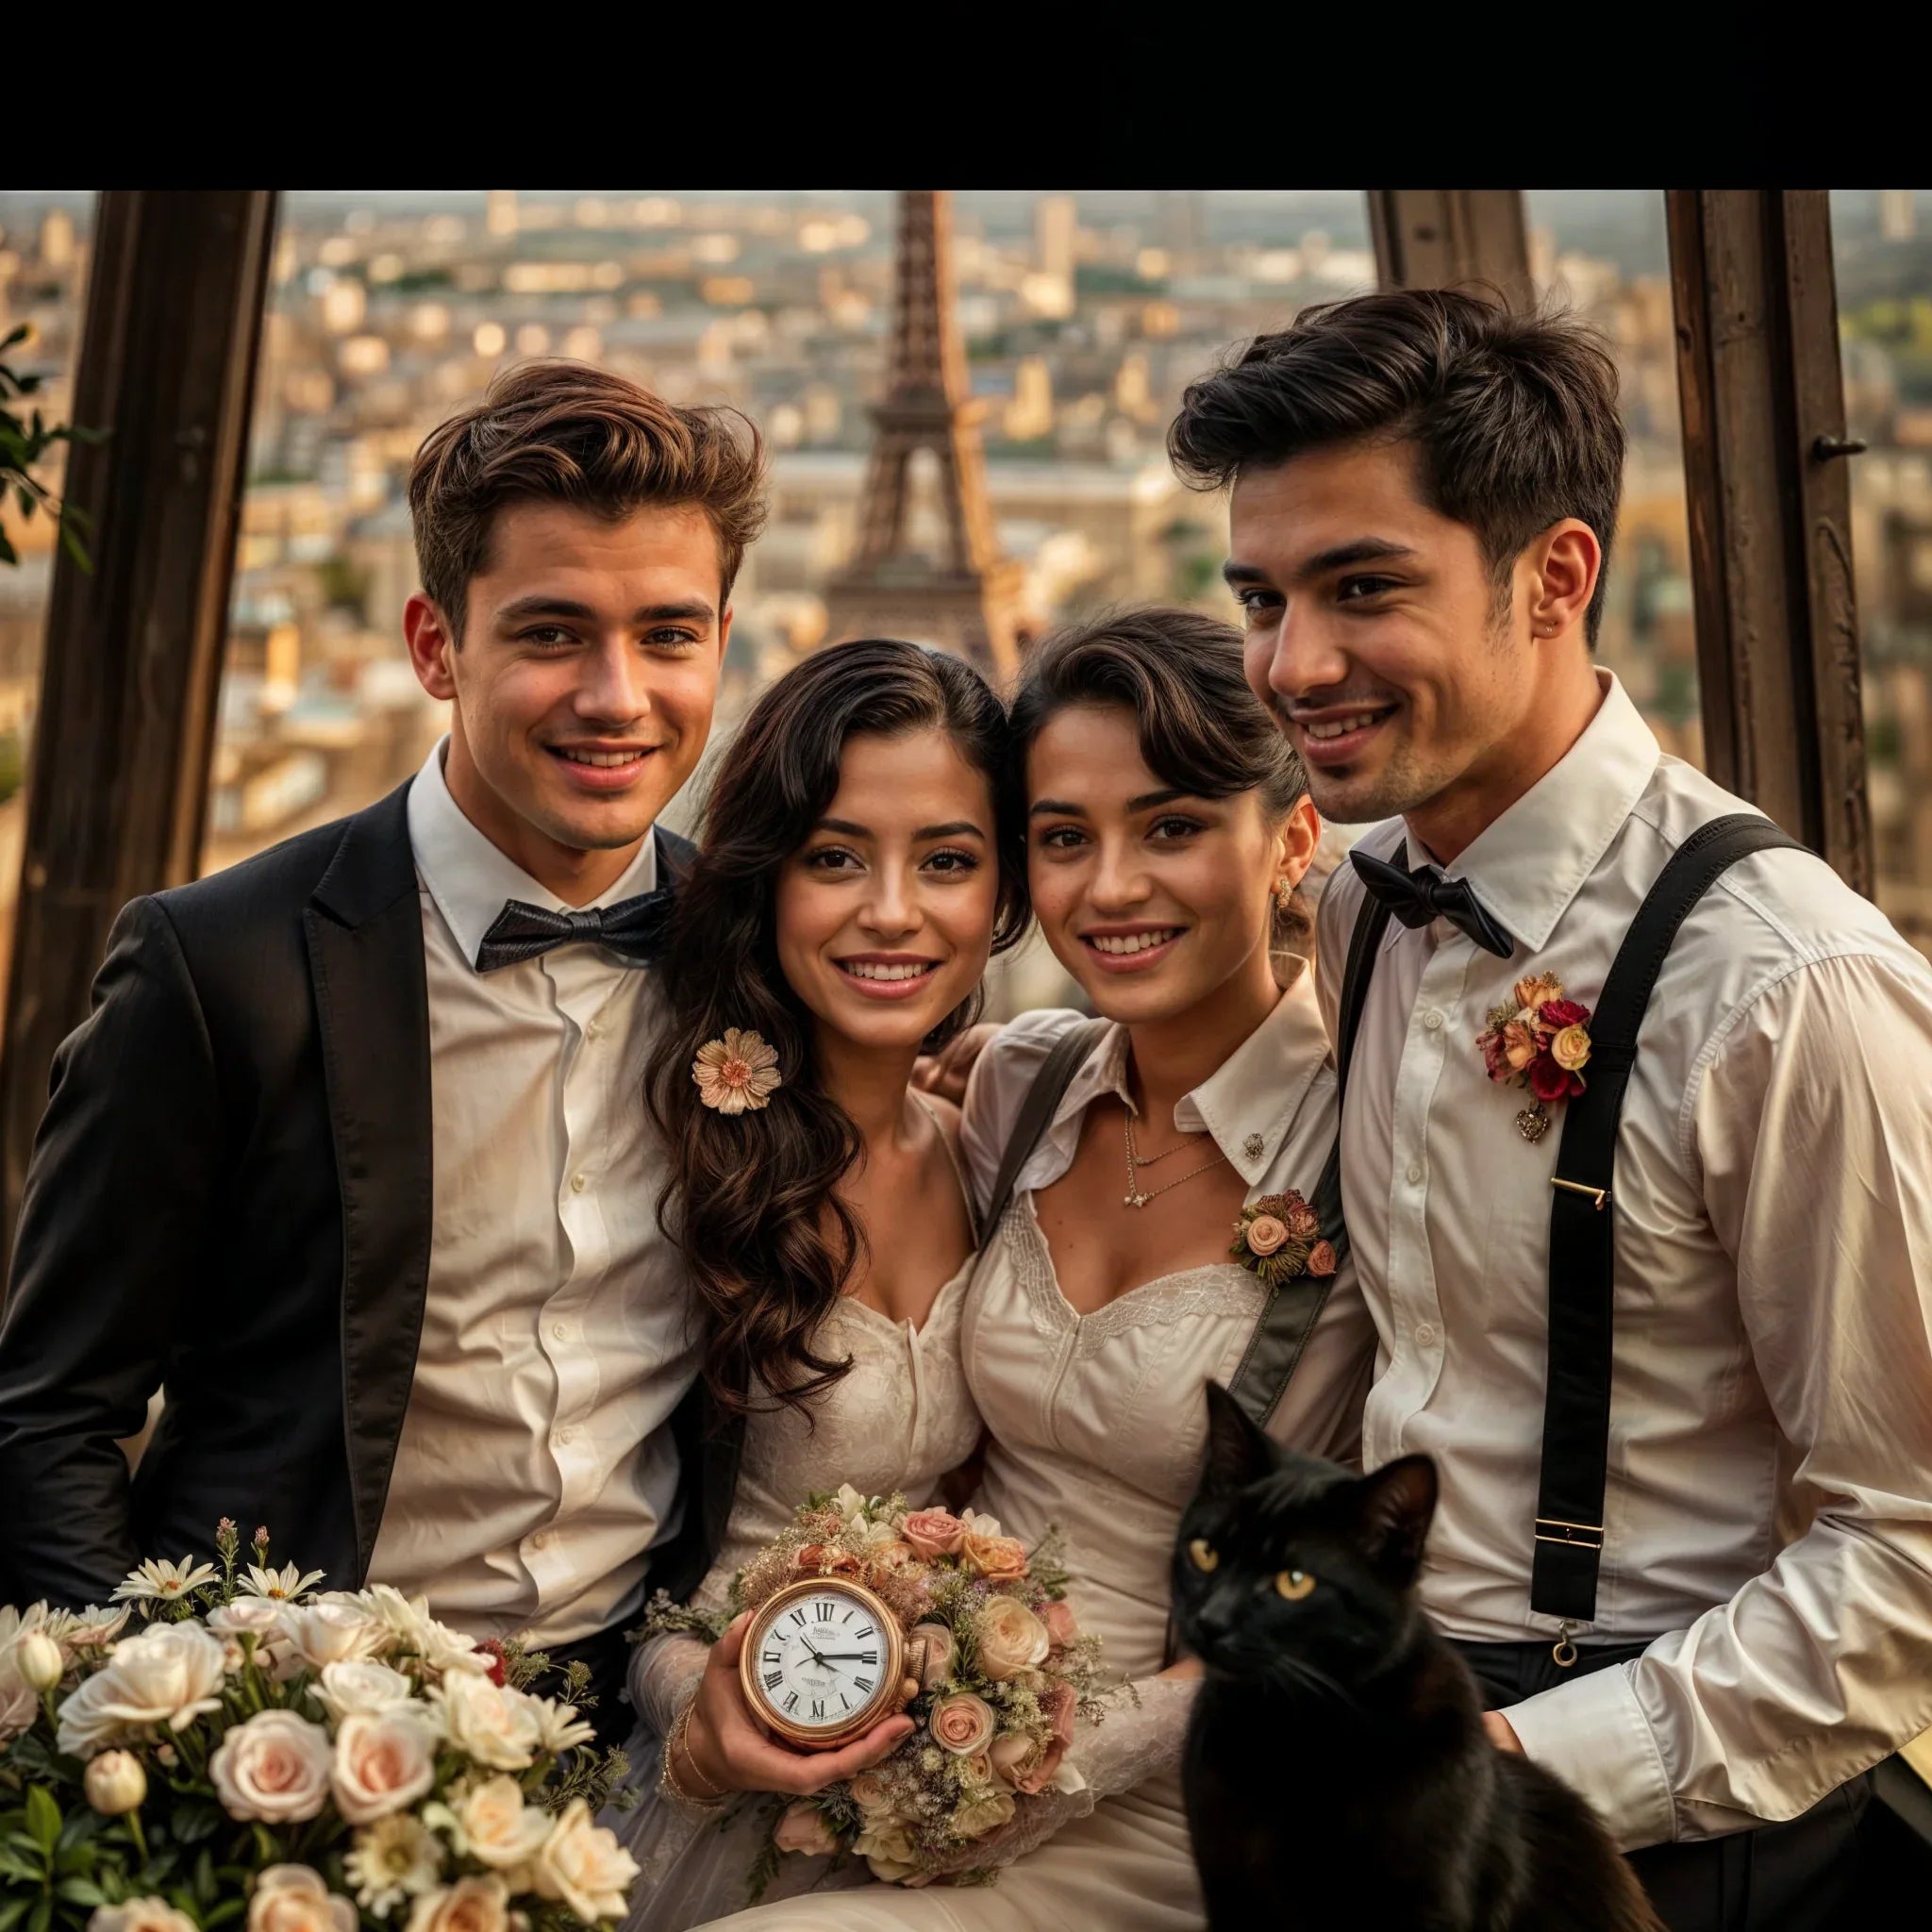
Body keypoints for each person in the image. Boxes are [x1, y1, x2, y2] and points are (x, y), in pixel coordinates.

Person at [1166, 287, 1932, 1930]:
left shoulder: (1787, 990)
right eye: (1260, 597)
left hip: (1650, 1815)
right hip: (1373, 1736)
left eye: (1362, 588)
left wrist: (1519, 1764)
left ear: (1558, 575)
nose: (1291, 665)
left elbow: (1917, 1553)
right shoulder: (1369, 894)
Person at [0, 361, 765, 1743]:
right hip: (293, 1747)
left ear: (723, 640)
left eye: (668, 635)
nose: (617, 695)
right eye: (551, 635)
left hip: (653, 1736)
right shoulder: (220, 968)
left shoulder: (758, 964)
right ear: (433, 647)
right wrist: (165, 1742)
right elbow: (48, 1416)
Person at [703, 610, 1375, 1931]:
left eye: (1172, 827)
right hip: (912, 1737)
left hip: (1175, 1787)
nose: (1109, 887)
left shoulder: (1374, 1140)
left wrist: (1042, 1763)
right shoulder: (1023, 1084)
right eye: (1065, 837)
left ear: (1294, 839)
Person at [615, 638, 1028, 1926]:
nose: (892, 911)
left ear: (1006, 888)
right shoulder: (674, 1162)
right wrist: (703, 1704)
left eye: (947, 861)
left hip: (941, 1819)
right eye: (836, 857)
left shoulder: (990, 1151)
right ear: (766, 878)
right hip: (708, 1804)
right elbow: (584, 1551)